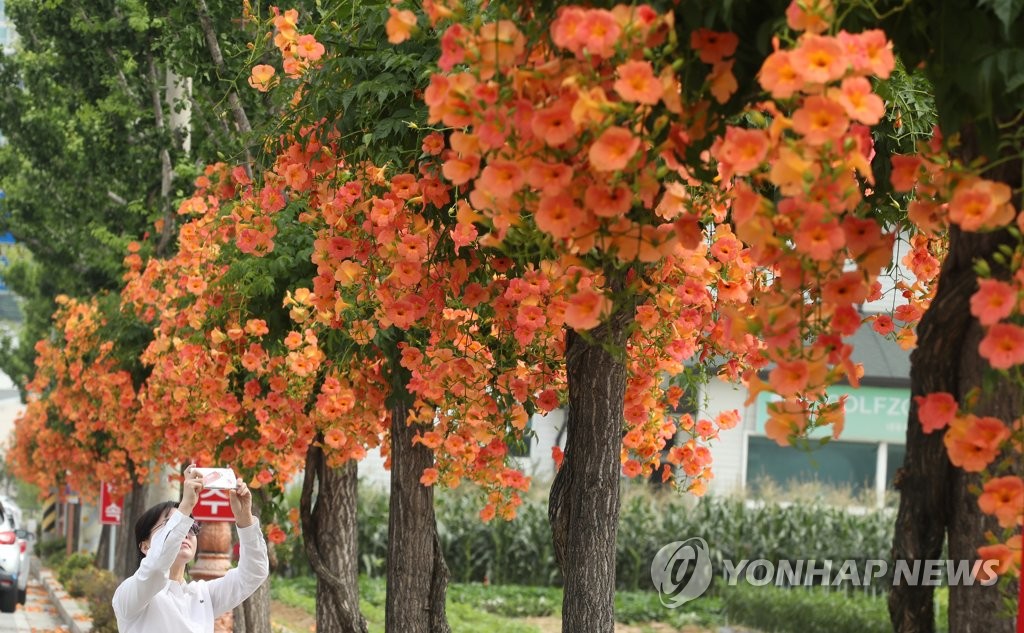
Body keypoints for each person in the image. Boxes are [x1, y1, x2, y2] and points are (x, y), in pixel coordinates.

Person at [112, 465, 269, 633]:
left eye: (191, 527)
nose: (185, 533)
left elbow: (254, 573)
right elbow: (155, 569)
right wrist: (186, 506)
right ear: (145, 546)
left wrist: (245, 520)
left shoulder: (202, 595)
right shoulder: (130, 594)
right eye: (169, 524)